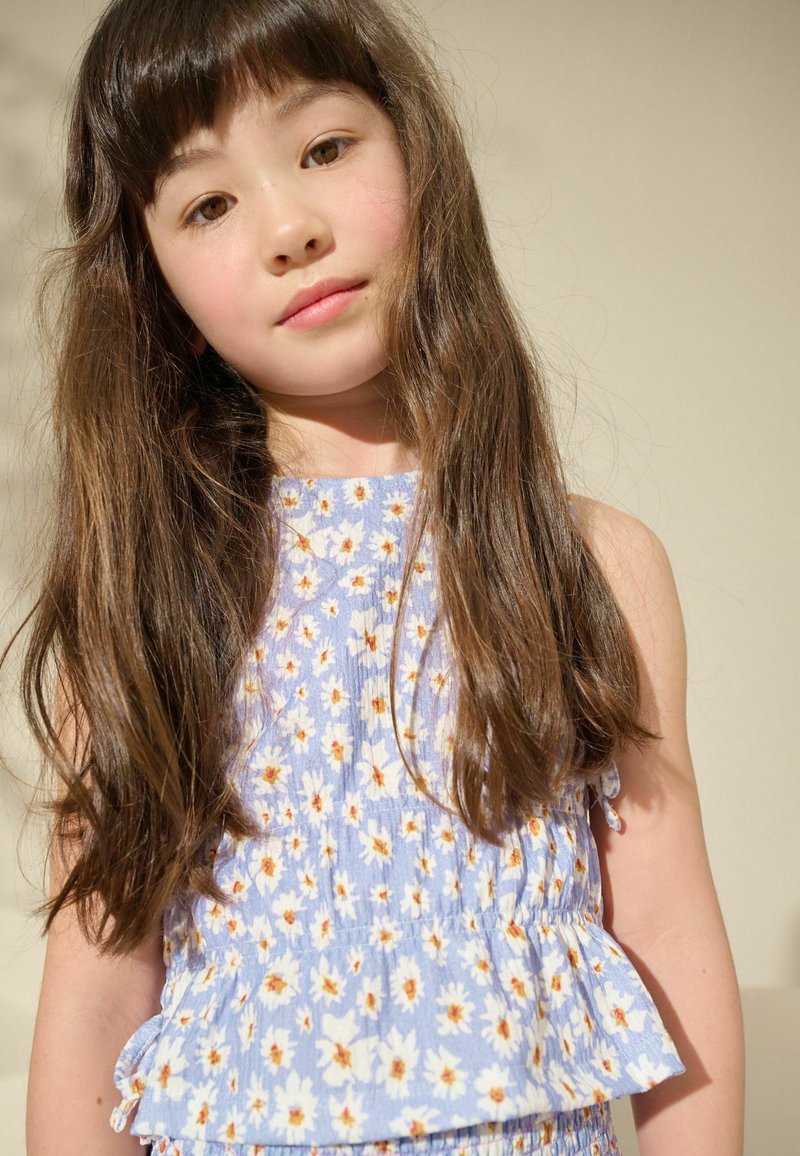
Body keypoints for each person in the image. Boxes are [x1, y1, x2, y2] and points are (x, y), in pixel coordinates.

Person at [16, 0, 744, 1153]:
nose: (287, 227)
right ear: (159, 295)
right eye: (208, 204)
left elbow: (664, 936)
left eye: (322, 148)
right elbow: (97, 996)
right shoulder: (145, 614)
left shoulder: (588, 568)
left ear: (416, 158)